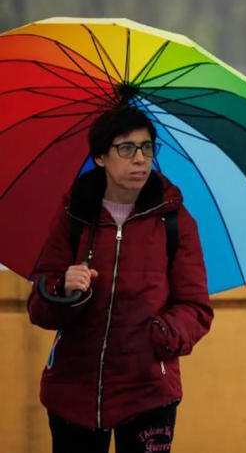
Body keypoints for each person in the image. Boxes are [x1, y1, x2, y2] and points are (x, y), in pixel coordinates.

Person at [27, 104, 214, 453]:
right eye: (126, 149)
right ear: (100, 157)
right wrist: (63, 289)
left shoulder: (175, 221)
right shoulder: (74, 215)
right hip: (73, 390)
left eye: (146, 148)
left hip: (148, 392)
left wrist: (159, 336)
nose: (140, 159)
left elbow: (196, 308)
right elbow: (40, 306)